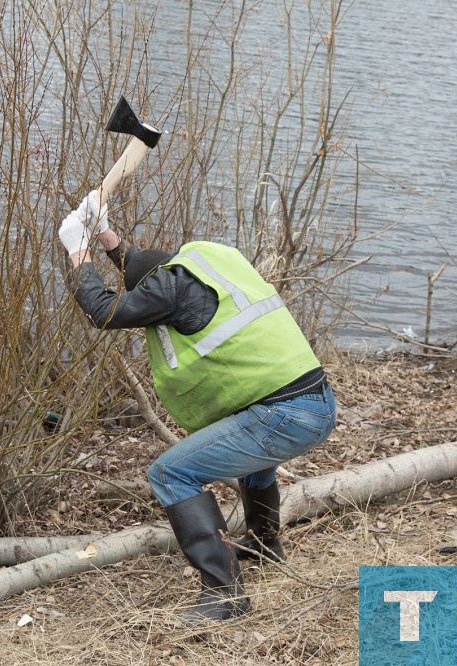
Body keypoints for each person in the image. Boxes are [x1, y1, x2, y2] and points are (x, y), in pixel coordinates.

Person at [58, 190, 337, 623]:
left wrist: (78, 251)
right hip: (315, 404)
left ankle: (226, 596)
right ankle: (265, 546)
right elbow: (143, 267)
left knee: (171, 472)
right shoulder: (199, 268)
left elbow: (103, 311)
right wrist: (107, 235)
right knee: (252, 462)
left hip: (284, 416)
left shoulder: (167, 289)